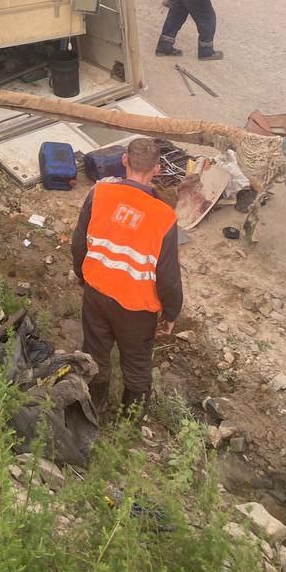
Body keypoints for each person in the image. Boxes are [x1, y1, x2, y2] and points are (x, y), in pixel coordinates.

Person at [72, 136, 182, 415]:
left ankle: (93, 408)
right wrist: (171, 313)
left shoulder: (99, 193)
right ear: (156, 169)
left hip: (96, 293)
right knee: (136, 364)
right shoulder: (164, 216)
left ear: (124, 161)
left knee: (95, 353)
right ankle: (129, 421)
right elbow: (167, 276)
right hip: (136, 307)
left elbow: (78, 243)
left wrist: (82, 276)